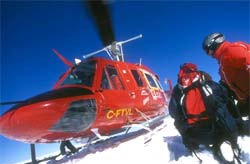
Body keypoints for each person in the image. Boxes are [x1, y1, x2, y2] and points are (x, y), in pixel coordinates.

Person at [169, 63, 239, 163]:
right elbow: (224, 95)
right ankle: (229, 142)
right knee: (224, 107)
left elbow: (173, 112)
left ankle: (192, 146)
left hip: (196, 134)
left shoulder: (178, 89)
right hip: (217, 129)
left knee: (178, 122)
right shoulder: (207, 82)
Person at [202, 33, 250, 117]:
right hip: (245, 98)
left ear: (214, 44)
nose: (209, 55)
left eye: (208, 51)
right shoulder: (223, 62)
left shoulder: (230, 51)